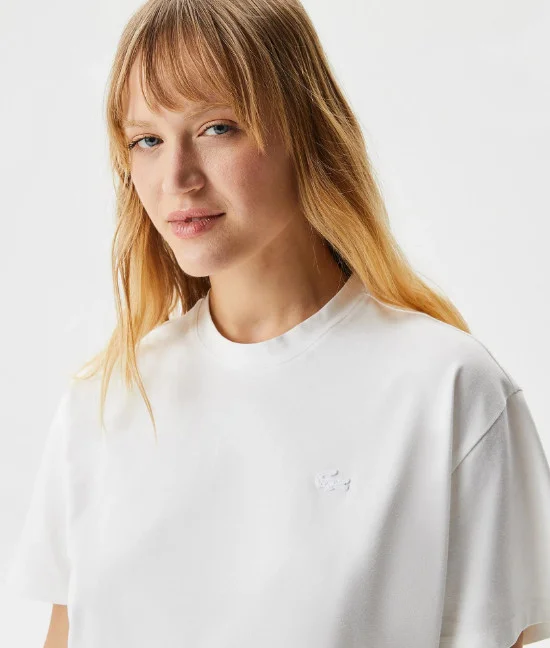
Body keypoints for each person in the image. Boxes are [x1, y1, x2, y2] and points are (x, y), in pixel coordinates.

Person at [4, 0, 550, 646]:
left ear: (305, 130)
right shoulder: (107, 400)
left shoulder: (448, 391)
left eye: (217, 128)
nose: (177, 177)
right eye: (147, 140)